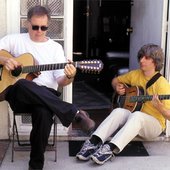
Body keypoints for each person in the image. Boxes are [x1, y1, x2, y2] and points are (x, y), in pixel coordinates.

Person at [0, 5, 95, 170]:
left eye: (43, 27)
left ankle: (35, 166)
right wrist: (4, 60)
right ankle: (73, 113)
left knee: (44, 114)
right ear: (27, 23)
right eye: (35, 26)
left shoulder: (55, 48)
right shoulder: (13, 39)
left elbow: (61, 81)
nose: (39, 31)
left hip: (46, 97)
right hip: (18, 95)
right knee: (23, 83)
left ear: (48, 26)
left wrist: (70, 76)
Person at [76, 43, 170, 165]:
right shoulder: (135, 74)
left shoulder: (162, 84)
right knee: (119, 111)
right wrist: (117, 88)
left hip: (154, 125)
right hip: (133, 121)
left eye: (146, 58)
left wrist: (160, 107)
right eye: (141, 57)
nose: (141, 60)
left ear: (155, 62)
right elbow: (115, 80)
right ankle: (94, 142)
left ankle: (110, 149)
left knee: (137, 116)